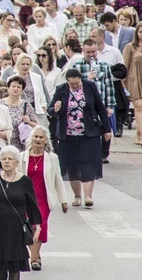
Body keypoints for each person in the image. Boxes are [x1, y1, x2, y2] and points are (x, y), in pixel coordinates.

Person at [48, 68, 112, 207]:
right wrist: (56, 109)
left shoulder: (90, 86)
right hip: (68, 135)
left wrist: (107, 129)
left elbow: (100, 107)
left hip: (89, 132)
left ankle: (88, 196)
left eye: (77, 83)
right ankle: (77, 196)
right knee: (72, 166)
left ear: (80, 79)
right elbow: (50, 110)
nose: (75, 86)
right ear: (67, 82)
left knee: (89, 163)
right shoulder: (61, 90)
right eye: (72, 84)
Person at [0, 146, 42, 280]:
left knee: (14, 265)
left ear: (16, 162)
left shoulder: (25, 181)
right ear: (0, 161)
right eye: (4, 159)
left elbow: (32, 205)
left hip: (16, 228)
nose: (6, 161)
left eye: (10, 159)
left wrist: (37, 225)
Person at [20, 126, 68, 271]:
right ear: (31, 138)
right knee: (28, 227)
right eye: (36, 137)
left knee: (40, 226)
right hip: (25, 199)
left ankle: (34, 259)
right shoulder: (22, 156)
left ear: (46, 140)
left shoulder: (52, 158)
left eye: (41, 137)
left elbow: (58, 179)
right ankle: (36, 254)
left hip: (43, 199)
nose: (38, 140)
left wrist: (63, 200)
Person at [0, 76, 40, 151]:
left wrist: (29, 122)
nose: (16, 89)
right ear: (8, 88)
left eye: (18, 87)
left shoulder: (26, 105)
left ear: (22, 90)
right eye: (13, 86)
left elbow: (37, 126)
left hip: (19, 144)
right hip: (2, 141)